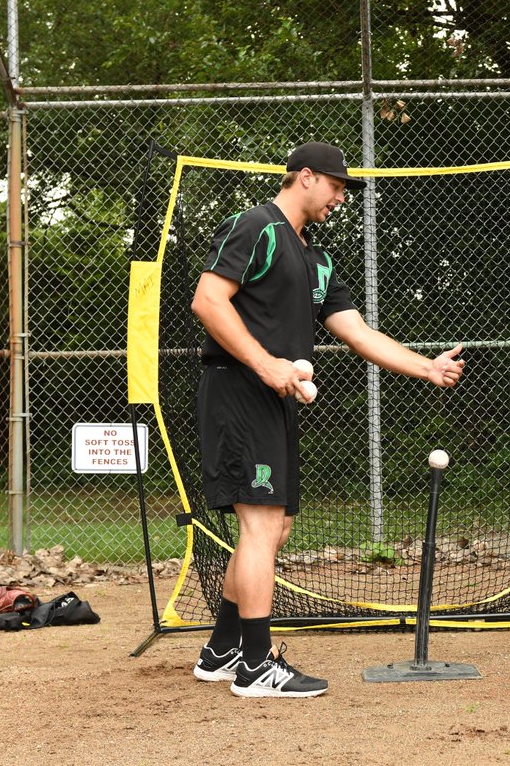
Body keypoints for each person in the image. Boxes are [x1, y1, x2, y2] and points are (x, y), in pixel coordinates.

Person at [189, 141, 465, 699]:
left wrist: (425, 368)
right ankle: (254, 666)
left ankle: (221, 649)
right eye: (337, 187)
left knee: (274, 528)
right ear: (305, 177)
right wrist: (265, 364)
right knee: (261, 527)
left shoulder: (317, 259)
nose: (341, 198)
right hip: (240, 389)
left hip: (277, 395)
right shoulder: (257, 226)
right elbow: (208, 301)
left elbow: (357, 331)